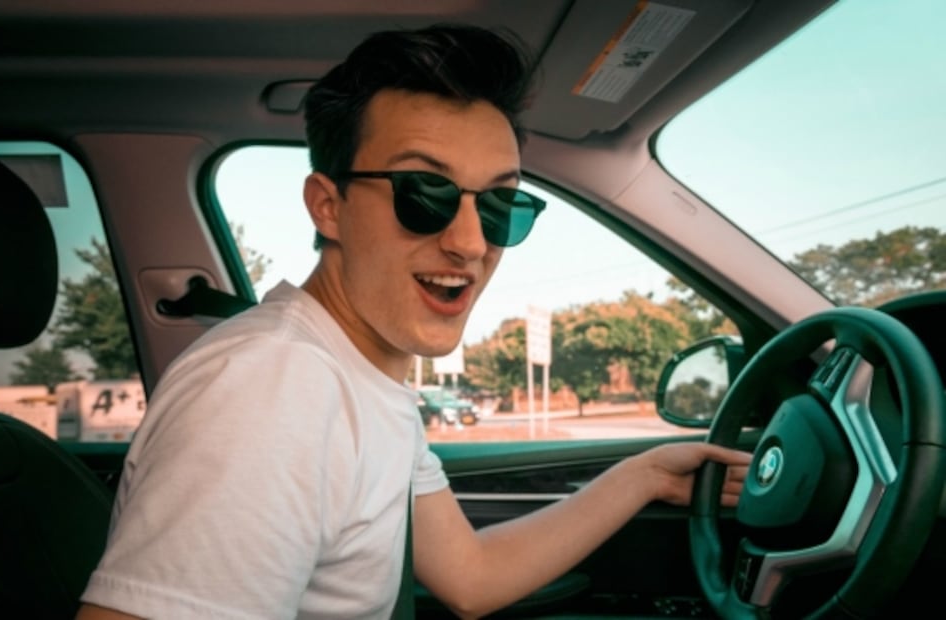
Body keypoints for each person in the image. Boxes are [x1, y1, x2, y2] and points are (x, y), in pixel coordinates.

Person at [76, 23, 750, 620]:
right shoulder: (271, 391)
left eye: (500, 205)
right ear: (328, 206)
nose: (469, 243)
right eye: (422, 193)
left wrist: (646, 475)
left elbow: (470, 577)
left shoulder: (360, 381)